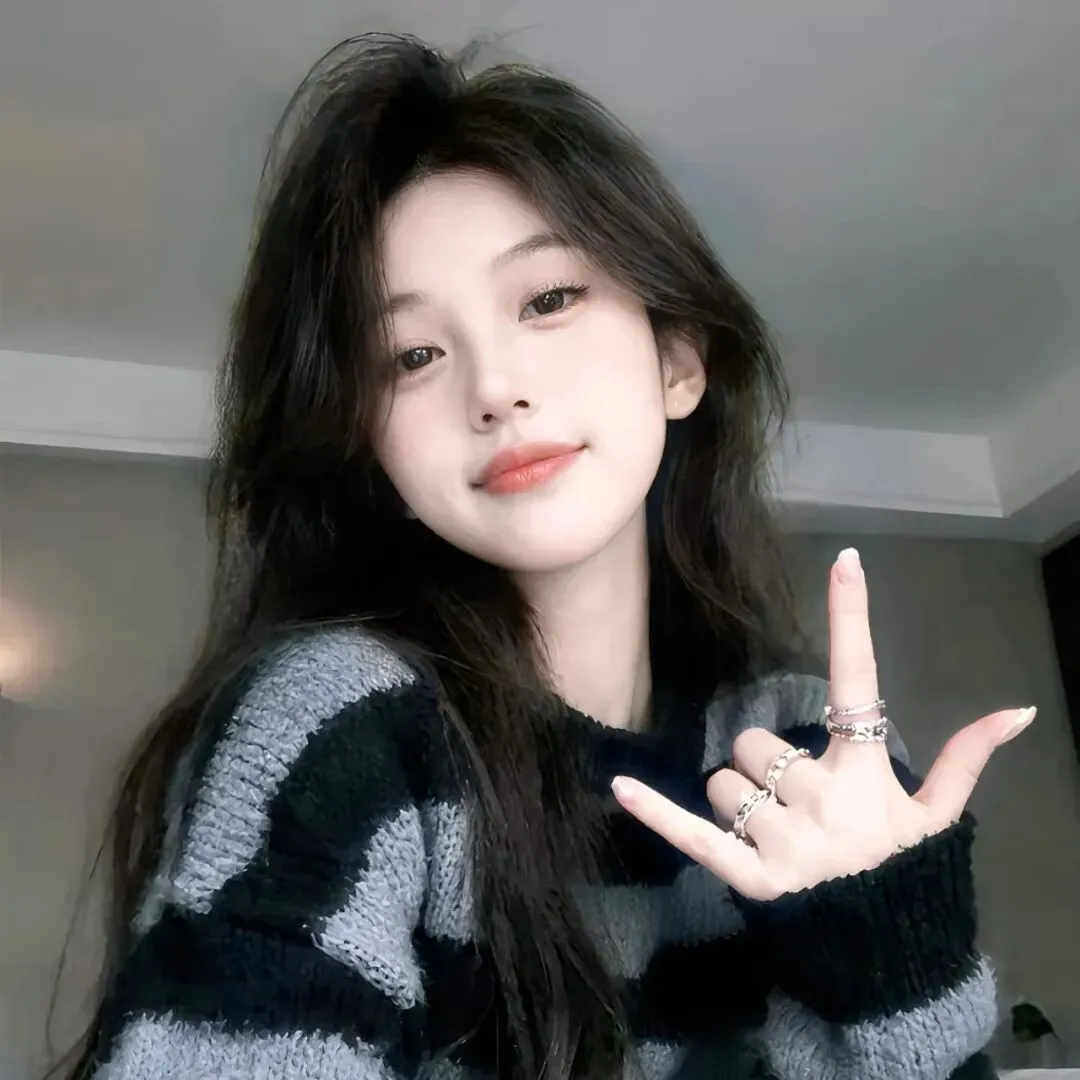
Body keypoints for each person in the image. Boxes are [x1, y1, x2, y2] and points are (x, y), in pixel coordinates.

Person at [61, 33, 1033, 1080]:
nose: (494, 388)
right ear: (371, 451)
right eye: (412, 356)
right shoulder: (343, 726)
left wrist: (895, 954)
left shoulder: (806, 747)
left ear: (677, 361)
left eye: (548, 300)